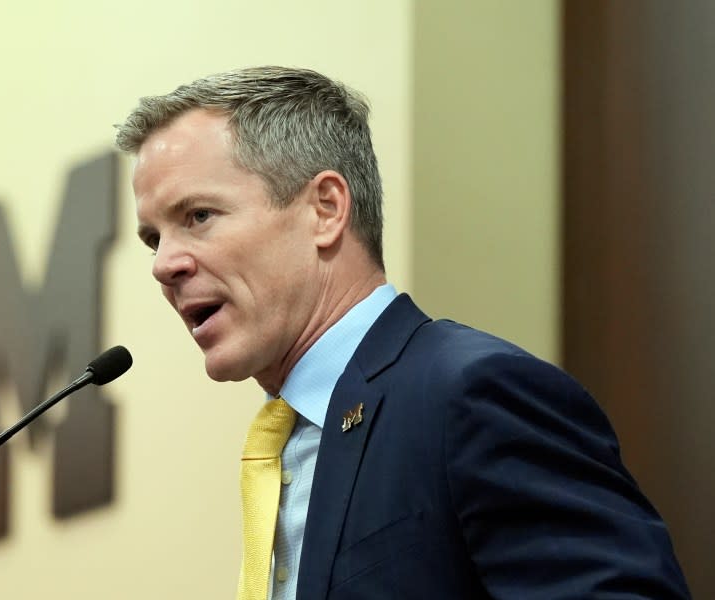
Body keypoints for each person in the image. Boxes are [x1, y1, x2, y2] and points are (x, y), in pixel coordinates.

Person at [116, 67, 690, 599]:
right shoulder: (291, 445)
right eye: (153, 239)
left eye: (198, 217)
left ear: (326, 209)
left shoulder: (471, 394)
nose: (165, 265)